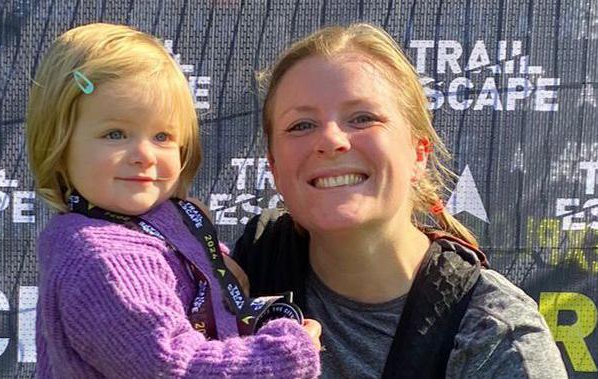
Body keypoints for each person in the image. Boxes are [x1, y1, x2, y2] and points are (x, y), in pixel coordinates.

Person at [233, 23, 567, 378]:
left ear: (418, 153)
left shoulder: (494, 339)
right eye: (301, 125)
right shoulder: (239, 274)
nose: (331, 140)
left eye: (362, 118)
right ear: (274, 168)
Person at [26, 23, 321, 378]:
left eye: (163, 136)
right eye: (115, 134)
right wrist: (284, 354)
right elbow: (174, 366)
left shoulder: (157, 221)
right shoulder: (101, 260)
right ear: (58, 146)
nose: (144, 155)